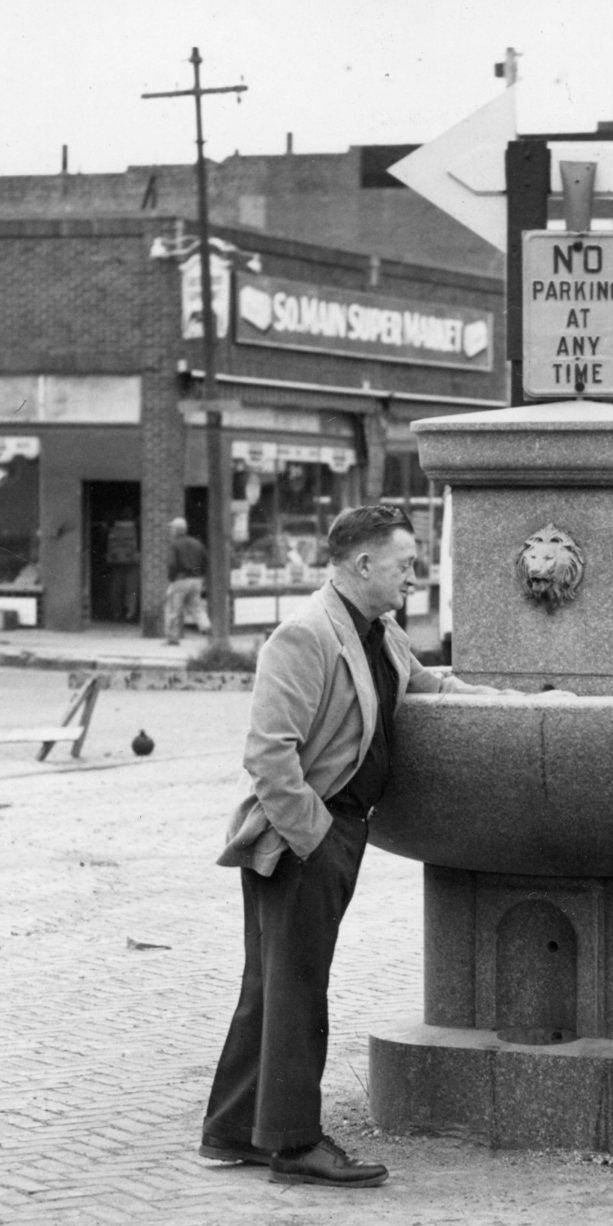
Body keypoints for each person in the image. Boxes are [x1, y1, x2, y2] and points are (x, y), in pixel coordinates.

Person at [200, 505, 506, 1189]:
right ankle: (293, 1144)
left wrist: (518, 704)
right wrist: (315, 836)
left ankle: (232, 1131)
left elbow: (432, 686)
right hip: (303, 838)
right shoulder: (305, 635)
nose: (413, 577)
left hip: (332, 829)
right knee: (297, 992)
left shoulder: (378, 630)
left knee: (273, 987)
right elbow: (267, 754)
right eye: (404, 564)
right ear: (364, 565)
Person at [164, 517, 211, 644]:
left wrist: (172, 579)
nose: (171, 531)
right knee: (196, 607)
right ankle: (206, 627)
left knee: (174, 609)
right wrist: (199, 573)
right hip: (196, 580)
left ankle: (172, 638)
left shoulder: (174, 545)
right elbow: (205, 561)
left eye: (172, 528)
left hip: (180, 579)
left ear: (176, 530)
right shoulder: (197, 543)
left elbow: (172, 564)